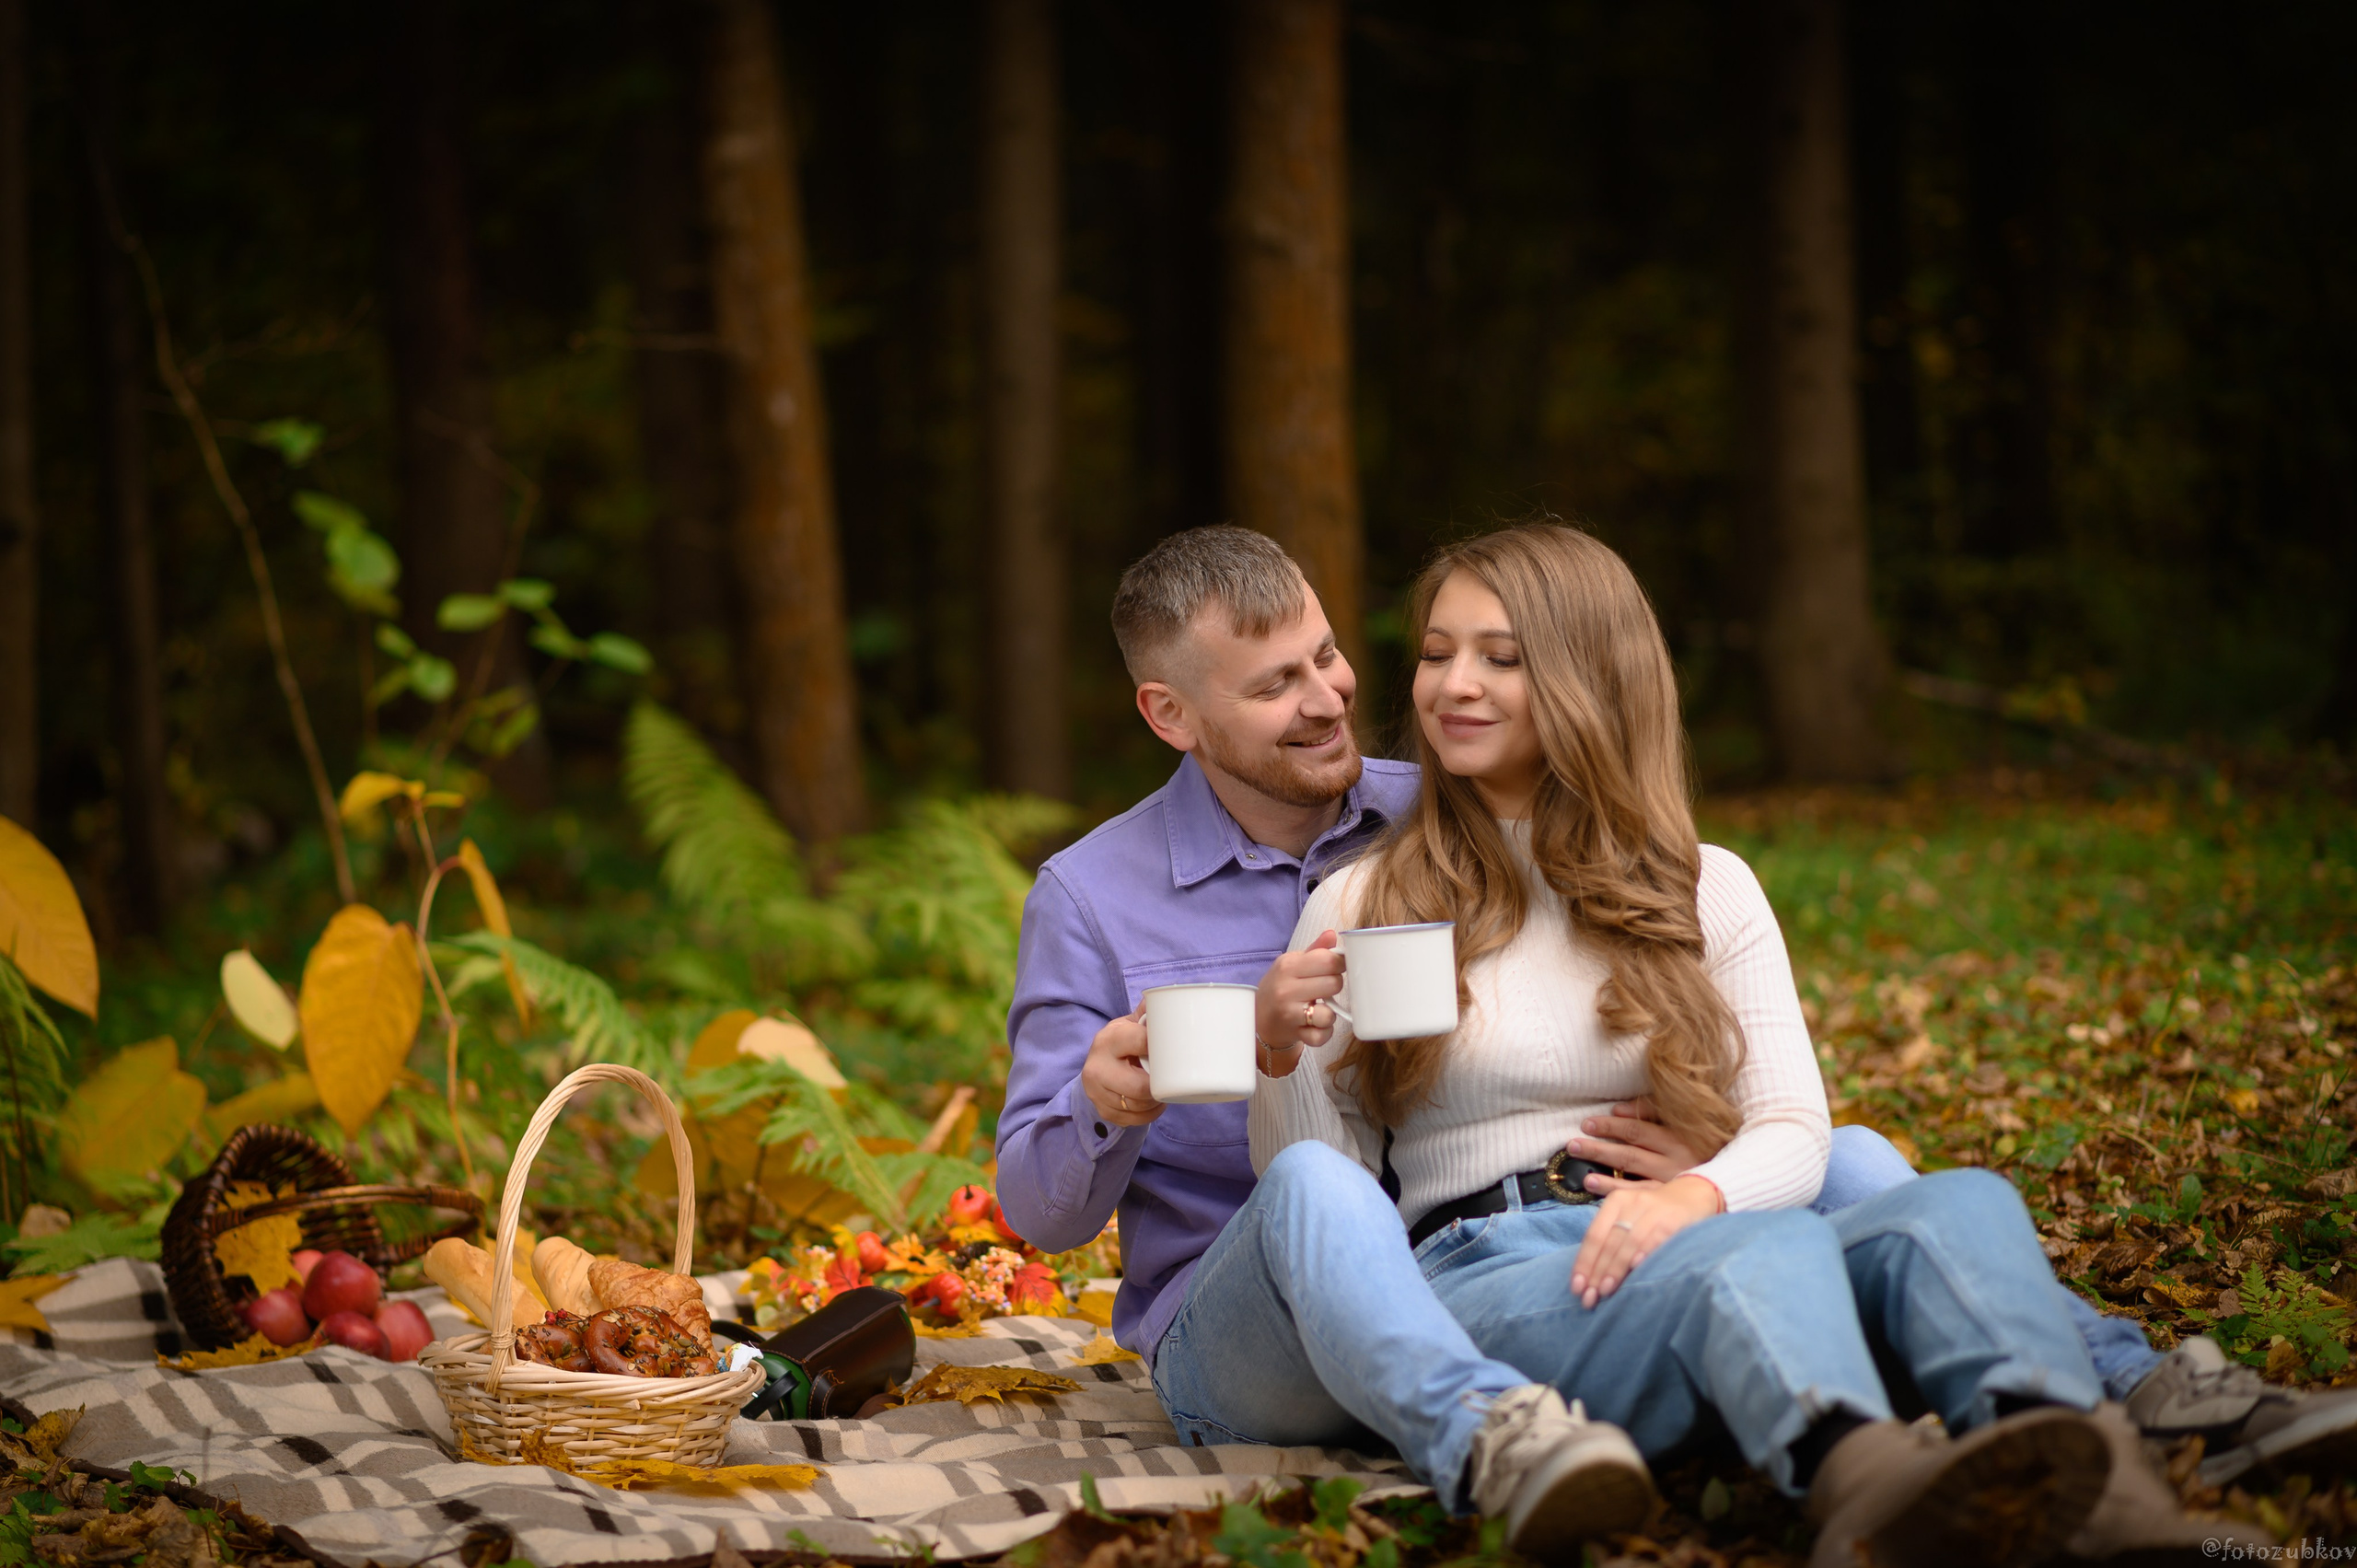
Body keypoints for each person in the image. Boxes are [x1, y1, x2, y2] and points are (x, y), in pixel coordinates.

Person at [993, 526, 2328, 1556]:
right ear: (1173, 715)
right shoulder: (1096, 896)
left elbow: (1589, 899)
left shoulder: (1428, 813)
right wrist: (1139, 1091)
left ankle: (2126, 1403)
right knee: (1318, 1185)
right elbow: (1043, 1208)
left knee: (1865, 1161)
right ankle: (1514, 1439)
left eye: (1333, 656)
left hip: (1503, 1237)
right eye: (1276, 685)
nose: (1338, 700)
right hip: (1269, 1309)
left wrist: (1706, 1154)